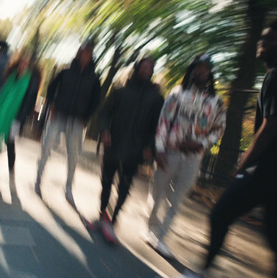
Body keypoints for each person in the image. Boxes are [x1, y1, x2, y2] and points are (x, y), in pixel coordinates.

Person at [179, 20, 277, 278]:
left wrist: (243, 162)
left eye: (267, 40)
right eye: (261, 38)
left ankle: (202, 271)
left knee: (220, 214)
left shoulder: (274, 77)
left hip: (265, 169)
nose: (261, 43)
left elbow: (269, 127)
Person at [145, 54, 226, 257]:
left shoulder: (216, 102)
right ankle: (150, 228)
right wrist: (160, 149)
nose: (201, 72)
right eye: (197, 68)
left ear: (210, 74)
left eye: (205, 69)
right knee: (158, 191)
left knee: (178, 198)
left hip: (193, 156)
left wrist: (201, 142)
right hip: (170, 150)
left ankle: (161, 237)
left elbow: (218, 129)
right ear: (191, 71)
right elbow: (163, 121)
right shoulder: (177, 94)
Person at [97, 57, 164, 241]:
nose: (146, 70)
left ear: (152, 72)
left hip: (136, 148)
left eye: (149, 68)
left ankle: (114, 217)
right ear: (136, 68)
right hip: (114, 142)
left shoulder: (156, 98)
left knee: (125, 185)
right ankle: (102, 212)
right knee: (106, 180)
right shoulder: (120, 91)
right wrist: (104, 131)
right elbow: (105, 114)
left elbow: (157, 126)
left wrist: (151, 147)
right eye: (143, 67)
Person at [34, 40, 101, 205]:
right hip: (59, 115)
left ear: (91, 55)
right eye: (83, 51)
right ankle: (38, 177)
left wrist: (86, 118)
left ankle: (69, 187)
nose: (85, 54)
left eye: (88, 52)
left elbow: (96, 101)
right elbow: (51, 88)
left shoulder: (94, 78)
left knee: (73, 155)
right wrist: (51, 105)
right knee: (47, 145)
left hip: (77, 120)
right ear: (79, 53)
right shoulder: (66, 71)